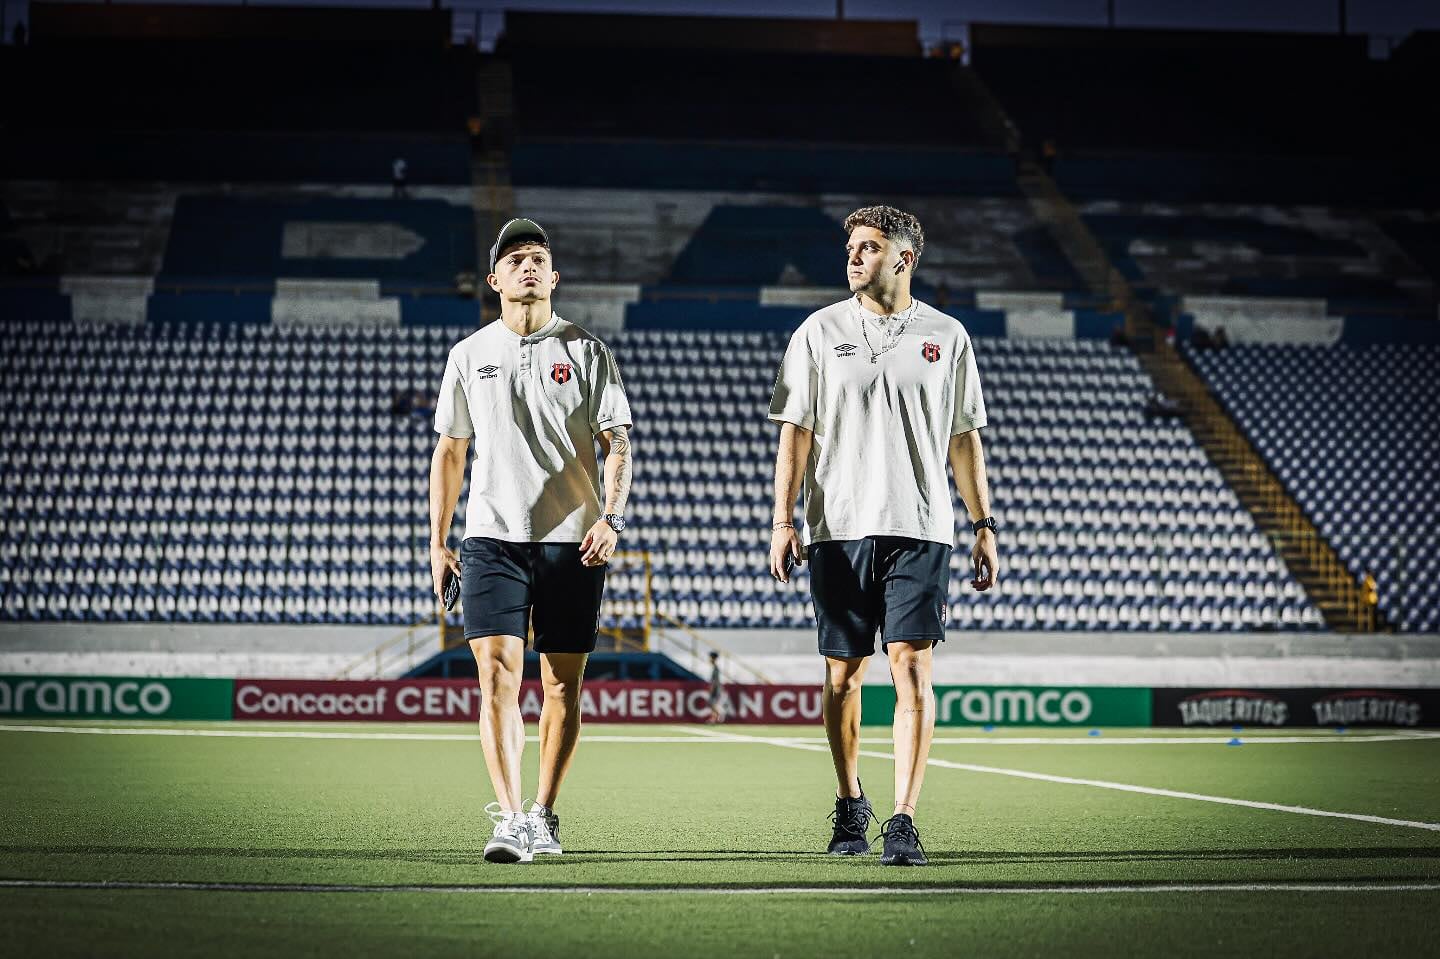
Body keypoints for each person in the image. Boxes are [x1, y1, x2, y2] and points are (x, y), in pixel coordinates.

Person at [768, 205, 996, 867]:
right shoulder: (817, 331)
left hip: (921, 526)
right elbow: (795, 434)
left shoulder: (947, 335)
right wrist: (783, 520)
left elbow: (964, 439)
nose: (855, 257)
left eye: (870, 247)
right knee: (842, 677)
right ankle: (850, 800)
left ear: (904, 258)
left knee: (913, 670)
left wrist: (984, 525)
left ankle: (903, 818)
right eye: (852, 247)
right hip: (835, 527)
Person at [428, 218, 633, 864]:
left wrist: (612, 517)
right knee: (496, 676)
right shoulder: (469, 354)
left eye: (538, 258)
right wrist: (438, 541)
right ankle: (511, 816)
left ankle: (545, 812)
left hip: (573, 542)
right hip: (492, 538)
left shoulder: (588, 351)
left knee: (563, 687)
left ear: (554, 276)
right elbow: (450, 450)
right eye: (515, 258)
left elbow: (618, 441)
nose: (528, 266)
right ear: (494, 279)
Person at [706, 650, 726, 724]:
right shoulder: (715, 668)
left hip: (716, 689)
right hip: (716, 688)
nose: (709, 659)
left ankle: (719, 714)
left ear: (713, 658)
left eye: (710, 657)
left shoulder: (716, 668)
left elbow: (715, 681)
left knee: (712, 703)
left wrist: (712, 688)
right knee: (712, 704)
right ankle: (714, 719)